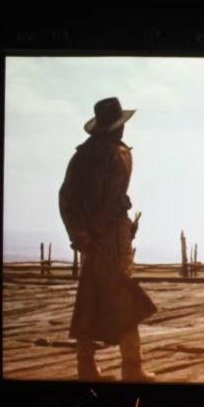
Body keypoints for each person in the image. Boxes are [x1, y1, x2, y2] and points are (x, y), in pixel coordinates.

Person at [58, 96, 158, 382]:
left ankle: (86, 367)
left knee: (89, 300)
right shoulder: (119, 155)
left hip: (90, 241)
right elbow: (113, 201)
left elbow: (66, 199)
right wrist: (113, 229)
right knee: (124, 298)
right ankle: (132, 367)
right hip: (111, 239)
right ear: (118, 127)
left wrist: (81, 235)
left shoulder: (80, 157)